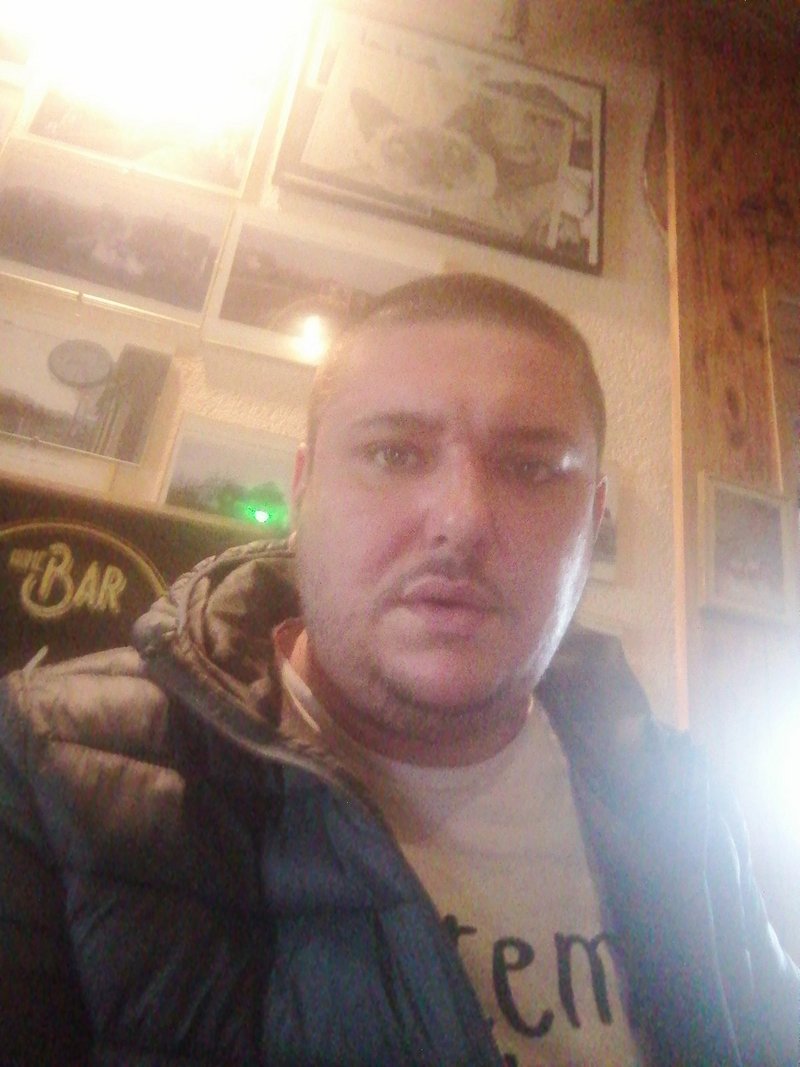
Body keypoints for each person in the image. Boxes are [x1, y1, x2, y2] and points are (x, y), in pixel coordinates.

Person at [0, 273, 796, 1066]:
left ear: (592, 521)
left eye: (530, 467)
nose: (461, 520)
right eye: (393, 453)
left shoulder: (684, 798)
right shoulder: (42, 769)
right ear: (304, 490)